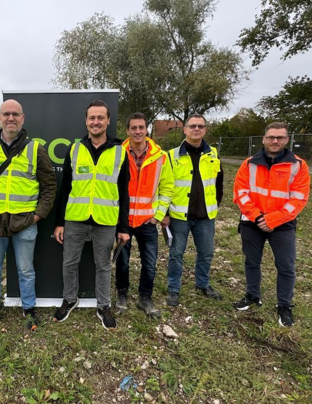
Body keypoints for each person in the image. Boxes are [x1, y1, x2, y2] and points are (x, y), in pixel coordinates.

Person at [0, 99, 57, 336]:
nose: (11, 118)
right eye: (6, 114)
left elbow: (49, 186)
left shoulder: (35, 149)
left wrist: (39, 215)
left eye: (15, 114)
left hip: (25, 222)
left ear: (23, 118)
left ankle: (28, 309)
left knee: (26, 270)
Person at [53, 99, 130, 330]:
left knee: (103, 266)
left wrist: (124, 228)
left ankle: (103, 305)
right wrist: (59, 223)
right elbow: (65, 188)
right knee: (69, 263)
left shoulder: (119, 152)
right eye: (91, 118)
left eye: (100, 118)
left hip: (105, 220)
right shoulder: (75, 149)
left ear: (107, 121)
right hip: (75, 218)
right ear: (86, 122)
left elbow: (124, 192)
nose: (95, 122)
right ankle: (69, 299)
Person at [232, 122, 310, 327]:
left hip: (283, 225)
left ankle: (284, 305)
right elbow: (240, 193)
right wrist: (258, 218)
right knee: (251, 261)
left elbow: (298, 199)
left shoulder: (298, 165)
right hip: (252, 222)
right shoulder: (249, 164)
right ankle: (252, 295)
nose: (275, 141)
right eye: (271, 137)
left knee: (285, 266)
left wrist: (272, 220)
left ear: (286, 140)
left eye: (280, 137)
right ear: (264, 139)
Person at [115, 113, 173, 318]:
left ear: (146, 129)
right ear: (127, 131)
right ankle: (121, 296)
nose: (138, 131)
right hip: (123, 221)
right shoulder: (118, 154)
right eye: (134, 128)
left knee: (149, 263)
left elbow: (167, 188)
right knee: (122, 262)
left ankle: (144, 298)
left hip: (148, 221)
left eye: (141, 127)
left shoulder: (161, 156)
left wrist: (157, 216)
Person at [164, 114, 224, 307]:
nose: (196, 129)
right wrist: (164, 213)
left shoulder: (213, 154)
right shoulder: (171, 156)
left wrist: (215, 204)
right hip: (179, 216)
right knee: (176, 254)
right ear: (185, 129)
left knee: (206, 252)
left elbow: (219, 184)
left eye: (200, 126)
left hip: (205, 216)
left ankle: (202, 284)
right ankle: (173, 288)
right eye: (192, 126)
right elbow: (164, 186)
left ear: (205, 129)